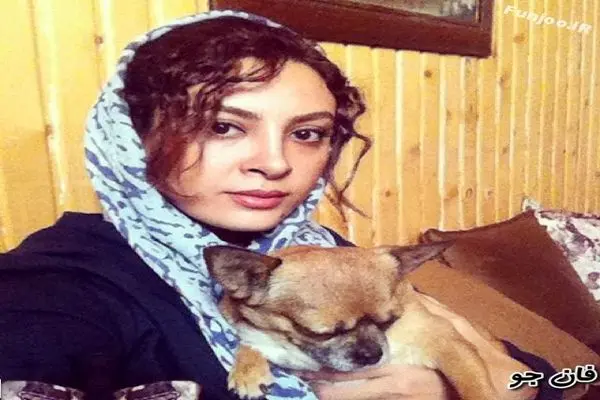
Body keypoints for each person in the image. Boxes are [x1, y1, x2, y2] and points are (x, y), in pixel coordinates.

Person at [0, 9, 562, 400]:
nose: (274, 163)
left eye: (308, 133)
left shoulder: (327, 256)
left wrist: (495, 383)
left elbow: (548, 376)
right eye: (223, 126)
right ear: (132, 136)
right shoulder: (59, 284)